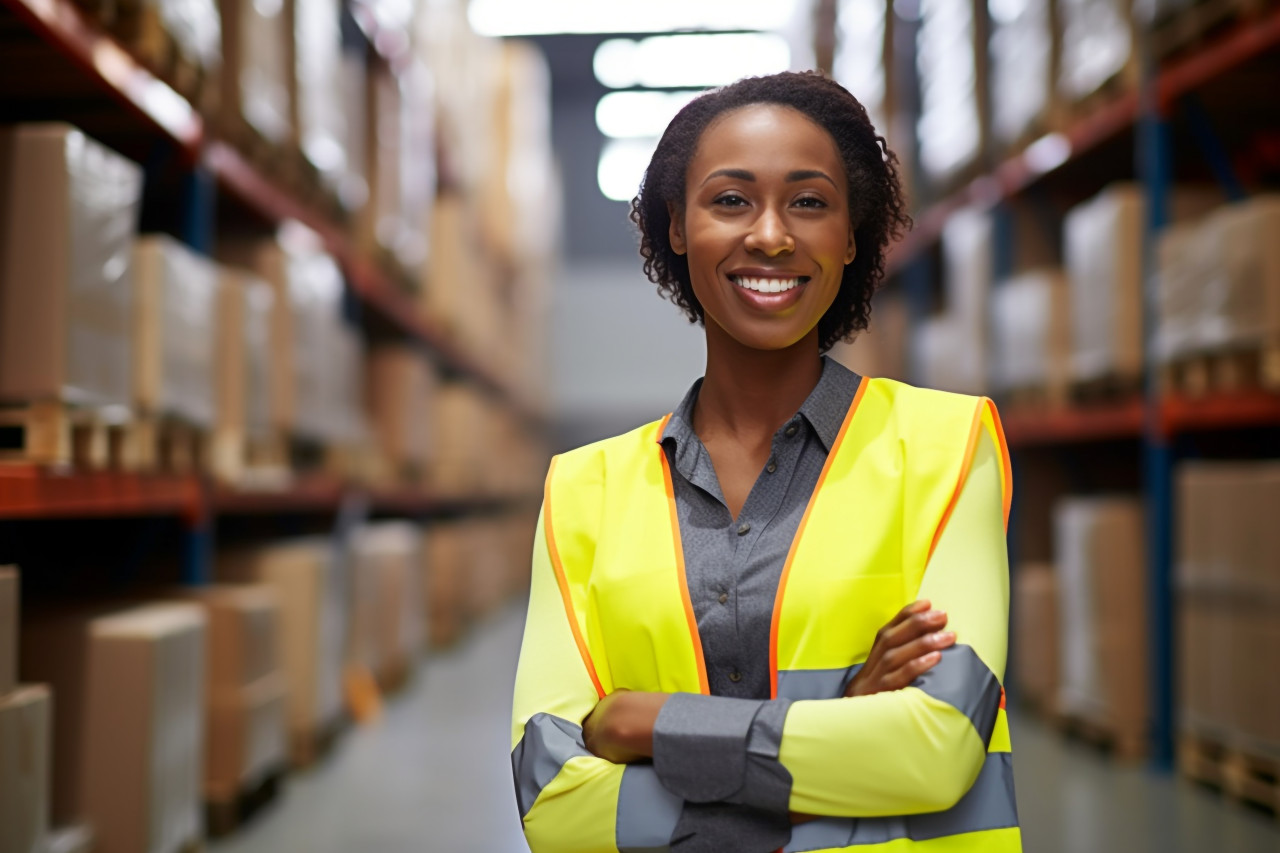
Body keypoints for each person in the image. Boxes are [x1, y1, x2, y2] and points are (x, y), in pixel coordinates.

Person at [511, 71, 1019, 853]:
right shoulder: (582, 490)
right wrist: (844, 726)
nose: (772, 235)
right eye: (731, 200)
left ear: (852, 234)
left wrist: (641, 722)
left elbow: (936, 747)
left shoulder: (947, 448)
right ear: (677, 227)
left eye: (809, 201)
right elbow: (552, 800)